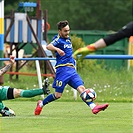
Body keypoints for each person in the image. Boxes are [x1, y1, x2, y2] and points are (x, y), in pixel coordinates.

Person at [34, 20, 109, 116]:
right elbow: (48, 46)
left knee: (82, 88)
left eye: (68, 30)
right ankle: (41, 104)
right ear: (59, 31)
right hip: (62, 70)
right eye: (65, 31)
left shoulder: (68, 39)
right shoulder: (58, 39)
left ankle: (93, 107)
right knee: (57, 95)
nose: (67, 33)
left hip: (72, 70)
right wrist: (57, 49)